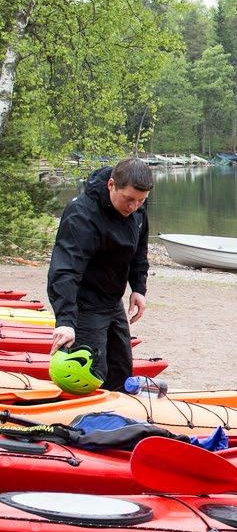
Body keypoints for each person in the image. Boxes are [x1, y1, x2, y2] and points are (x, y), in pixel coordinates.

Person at [48, 157, 153, 391]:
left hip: (112, 302)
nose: (134, 207)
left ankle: (118, 422)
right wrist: (65, 321)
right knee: (92, 376)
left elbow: (139, 250)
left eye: (141, 201)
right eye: (129, 199)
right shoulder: (82, 214)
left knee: (122, 372)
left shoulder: (137, 208)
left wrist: (138, 287)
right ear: (111, 184)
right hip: (84, 306)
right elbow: (65, 268)